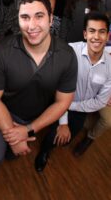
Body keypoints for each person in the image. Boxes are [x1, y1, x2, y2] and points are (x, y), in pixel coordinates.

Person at [0, 0, 78, 197]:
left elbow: (63, 102)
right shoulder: (0, 51)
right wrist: (15, 137)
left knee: (11, 154)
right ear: (18, 20)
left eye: (39, 16)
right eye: (25, 17)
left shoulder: (67, 55)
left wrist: (28, 130)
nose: (32, 25)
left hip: (33, 118)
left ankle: (9, 147)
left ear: (51, 19)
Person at [35, 12, 111, 171]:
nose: (96, 36)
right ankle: (43, 152)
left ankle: (49, 144)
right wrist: (63, 121)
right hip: (58, 101)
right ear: (85, 33)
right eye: (92, 31)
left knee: (66, 139)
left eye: (101, 32)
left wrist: (71, 106)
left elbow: (100, 102)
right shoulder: (70, 52)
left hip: (79, 107)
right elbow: (57, 86)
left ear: (107, 36)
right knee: (53, 134)